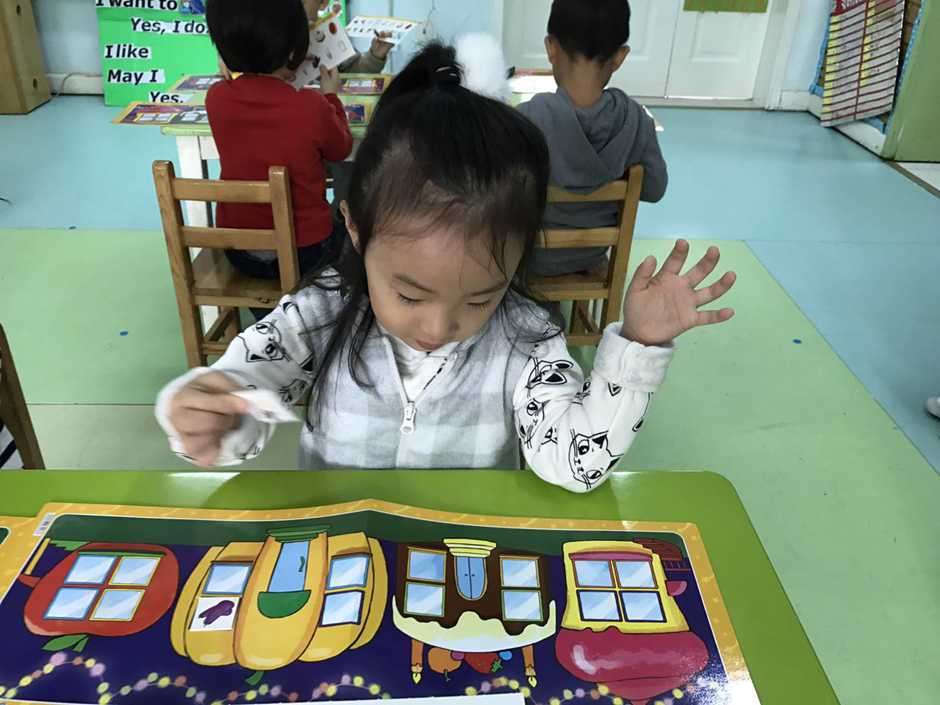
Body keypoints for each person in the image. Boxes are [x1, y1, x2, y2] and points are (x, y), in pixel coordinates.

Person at [155, 39, 737, 494]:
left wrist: (637, 348)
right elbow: (251, 380)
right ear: (355, 229)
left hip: (465, 568)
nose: (438, 328)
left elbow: (574, 465)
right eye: (410, 295)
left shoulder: (527, 339)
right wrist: (212, 406)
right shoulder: (320, 312)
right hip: (344, 565)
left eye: (481, 298)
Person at [205, 0, 353, 280]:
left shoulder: (216, 98)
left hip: (240, 251)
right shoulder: (311, 105)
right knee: (350, 233)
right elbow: (341, 149)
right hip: (306, 251)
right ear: (294, 48)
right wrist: (331, 96)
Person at [517, 0, 667, 277]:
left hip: (529, 256)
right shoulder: (636, 121)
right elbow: (655, 189)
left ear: (551, 48)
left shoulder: (527, 118)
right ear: (620, 56)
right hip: (590, 254)